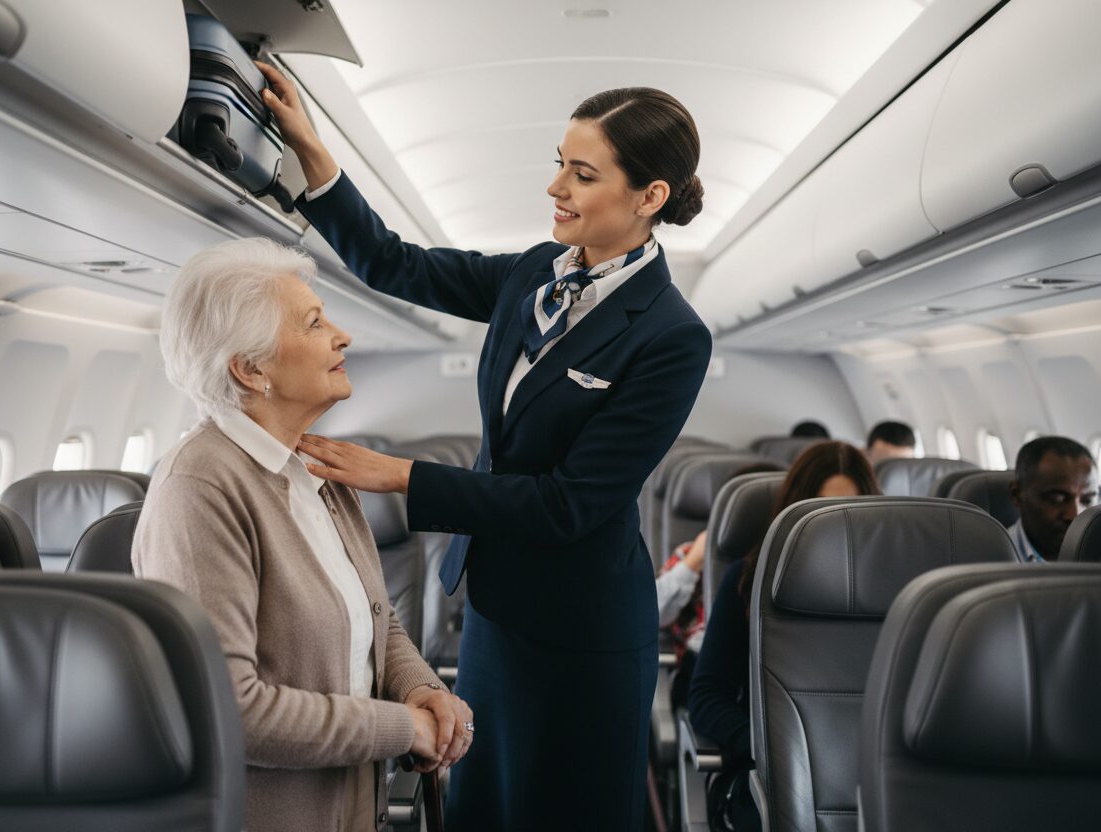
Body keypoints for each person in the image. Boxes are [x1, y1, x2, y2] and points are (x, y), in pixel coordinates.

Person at [258, 65, 712, 831]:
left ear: (650, 197)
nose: (555, 188)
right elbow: (391, 262)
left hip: (585, 627)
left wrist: (403, 476)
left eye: (582, 172)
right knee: (483, 805)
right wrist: (312, 152)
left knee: (570, 813)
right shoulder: (532, 274)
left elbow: (572, 504)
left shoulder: (671, 335)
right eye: (558, 163)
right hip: (496, 605)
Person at [131, 238, 472, 832]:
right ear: (250, 367)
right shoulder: (201, 487)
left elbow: (374, 614)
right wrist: (403, 727)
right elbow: (230, 708)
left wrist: (419, 687)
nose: (344, 336)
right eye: (315, 323)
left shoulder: (311, 465)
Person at [687, 441, 879, 831]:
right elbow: (707, 697)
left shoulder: (897, 587)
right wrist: (767, 751)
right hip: (772, 776)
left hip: (874, 776)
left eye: (850, 512)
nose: (835, 526)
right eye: (820, 511)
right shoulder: (748, 582)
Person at [656, 462, 782, 708]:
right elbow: (652, 614)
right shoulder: (691, 554)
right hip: (700, 666)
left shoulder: (786, 565)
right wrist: (692, 564)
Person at [1008, 436, 1098, 562]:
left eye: (1087, 500)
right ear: (1017, 495)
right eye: (1057, 499)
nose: (1075, 515)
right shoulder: (990, 557)